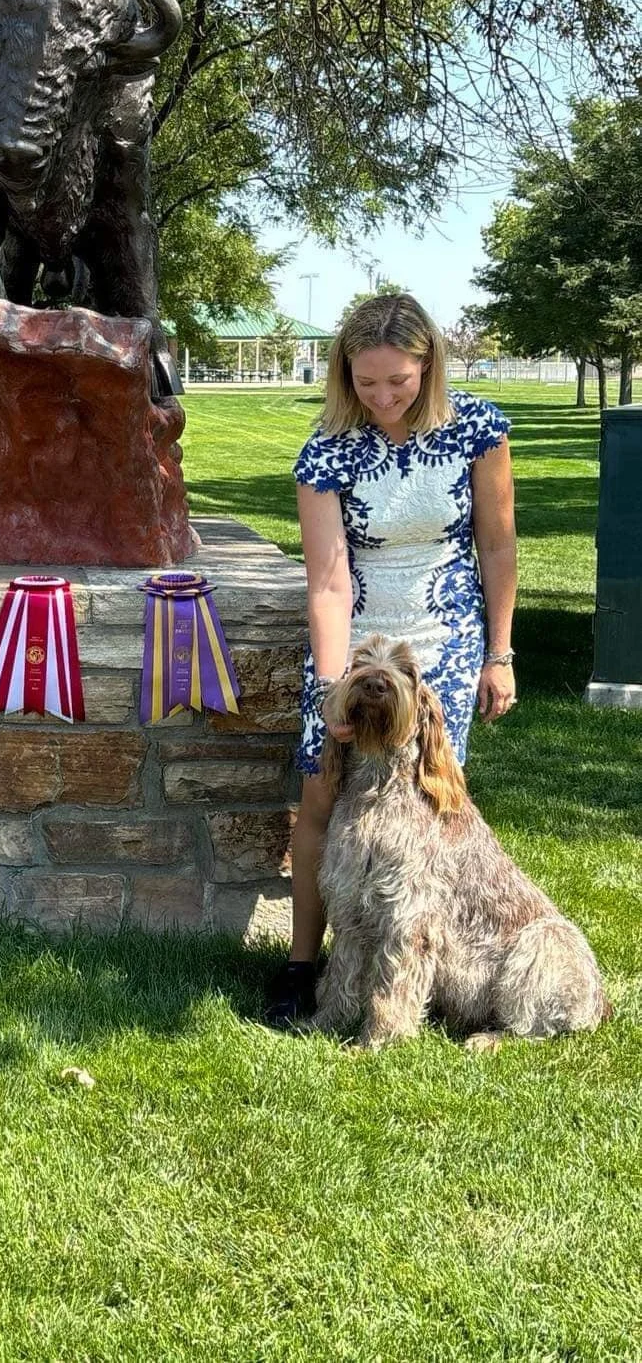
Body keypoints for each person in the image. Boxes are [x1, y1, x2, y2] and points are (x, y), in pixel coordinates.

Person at [265, 293, 518, 1027]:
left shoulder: (478, 427)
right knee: (322, 801)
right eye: (366, 383)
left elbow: (497, 547)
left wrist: (498, 654)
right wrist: (328, 689)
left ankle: (417, 966)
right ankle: (303, 965)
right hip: (357, 638)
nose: (381, 398)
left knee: (428, 809)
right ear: (345, 375)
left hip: (446, 642)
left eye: (398, 382)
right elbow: (328, 581)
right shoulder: (327, 449)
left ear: (428, 365)